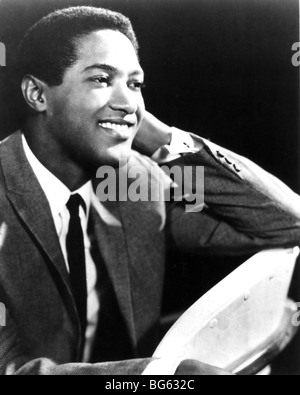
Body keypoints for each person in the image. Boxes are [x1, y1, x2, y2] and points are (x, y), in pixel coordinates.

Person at [0, 6, 300, 376]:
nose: (129, 103)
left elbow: (287, 223)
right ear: (37, 94)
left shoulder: (132, 184)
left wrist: (165, 140)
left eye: (135, 84)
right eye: (100, 79)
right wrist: (164, 374)